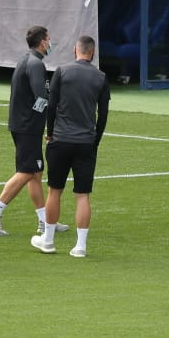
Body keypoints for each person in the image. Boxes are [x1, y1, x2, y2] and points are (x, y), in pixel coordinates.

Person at [30, 35, 110, 258]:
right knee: (82, 194)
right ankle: (81, 246)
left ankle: (48, 241)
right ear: (92, 53)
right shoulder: (101, 77)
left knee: (55, 191)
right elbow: (103, 114)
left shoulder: (61, 72)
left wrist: (50, 132)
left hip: (61, 140)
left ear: (75, 50)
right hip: (86, 141)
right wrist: (96, 139)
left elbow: (51, 105)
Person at [0, 25, 56, 238]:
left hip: (24, 124)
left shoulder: (26, 60)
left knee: (36, 173)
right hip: (28, 127)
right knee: (27, 172)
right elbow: (42, 96)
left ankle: (44, 221)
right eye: (48, 39)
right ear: (42, 42)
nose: (50, 43)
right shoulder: (36, 64)